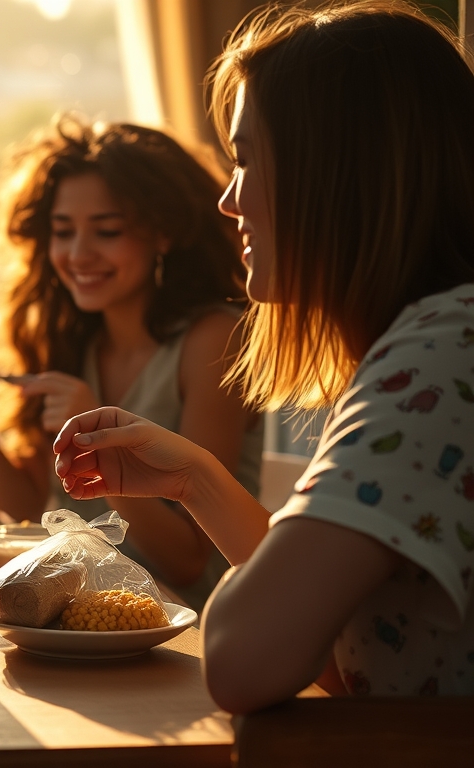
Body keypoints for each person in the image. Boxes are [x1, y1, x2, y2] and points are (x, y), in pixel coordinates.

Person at [53, 0, 474, 712]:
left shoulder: (442, 355)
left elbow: (241, 657)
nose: (227, 199)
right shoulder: (434, 341)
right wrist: (197, 480)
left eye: (246, 160)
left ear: (337, 171)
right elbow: (343, 657)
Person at [0, 116, 260, 607]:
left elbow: (188, 560)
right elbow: (22, 505)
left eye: (106, 231)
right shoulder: (68, 339)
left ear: (162, 234)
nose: (79, 254)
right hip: (88, 613)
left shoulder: (213, 340)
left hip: (195, 625)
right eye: (63, 232)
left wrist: (103, 452)